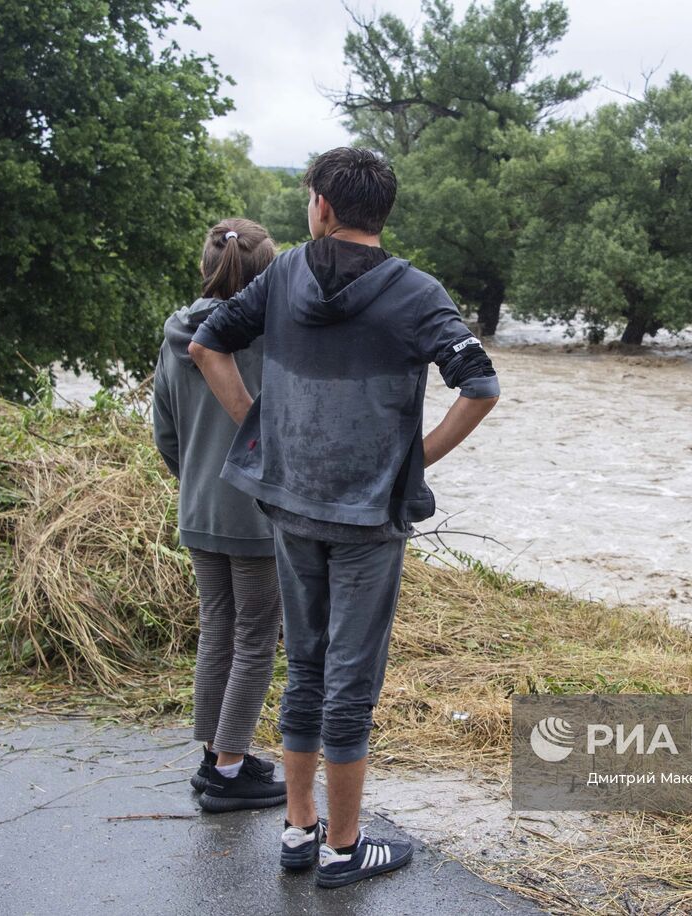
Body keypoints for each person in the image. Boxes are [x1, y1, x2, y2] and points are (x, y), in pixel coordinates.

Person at [187, 147, 500, 888]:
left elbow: (208, 345)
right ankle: (342, 848)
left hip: (290, 506)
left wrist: (258, 435)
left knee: (306, 671)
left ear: (322, 206)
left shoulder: (286, 270)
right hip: (368, 519)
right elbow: (479, 386)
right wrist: (413, 461)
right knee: (351, 682)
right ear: (379, 212)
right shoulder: (418, 292)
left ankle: (299, 833)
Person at [152, 217, 288, 814]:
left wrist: (194, 482)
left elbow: (164, 427)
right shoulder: (271, 335)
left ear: (208, 267)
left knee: (218, 628)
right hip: (256, 512)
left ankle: (215, 756)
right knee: (257, 635)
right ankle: (232, 770)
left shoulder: (177, 331)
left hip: (200, 505)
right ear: (269, 274)